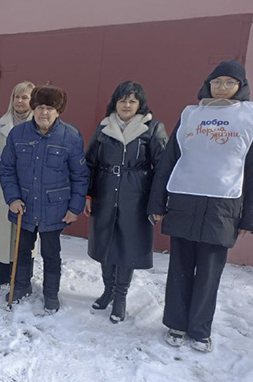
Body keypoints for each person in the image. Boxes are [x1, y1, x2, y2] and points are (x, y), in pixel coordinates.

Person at [148, 60, 253, 352]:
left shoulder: (248, 117)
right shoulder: (191, 115)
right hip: (185, 200)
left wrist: (249, 217)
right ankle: (176, 325)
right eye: (216, 82)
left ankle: (199, 330)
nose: (222, 87)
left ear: (240, 87)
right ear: (207, 84)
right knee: (179, 268)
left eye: (229, 82)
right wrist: (157, 201)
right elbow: (169, 159)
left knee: (208, 273)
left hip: (222, 207)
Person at [0, 85, 89, 313]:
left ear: (58, 111)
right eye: (40, 107)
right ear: (34, 109)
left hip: (54, 209)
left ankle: (51, 293)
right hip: (24, 206)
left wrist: (75, 208)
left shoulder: (70, 136)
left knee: (51, 254)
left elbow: (80, 175)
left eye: (50, 108)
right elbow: (6, 169)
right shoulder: (18, 134)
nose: (44, 113)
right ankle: (21, 286)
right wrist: (13, 198)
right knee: (21, 249)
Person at [84, 81, 167, 323]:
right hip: (105, 192)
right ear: (115, 103)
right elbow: (90, 162)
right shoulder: (104, 128)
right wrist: (87, 194)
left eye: (132, 101)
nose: (127, 105)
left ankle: (120, 296)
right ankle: (108, 289)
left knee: (127, 245)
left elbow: (162, 167)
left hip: (136, 196)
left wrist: (158, 203)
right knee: (104, 241)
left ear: (140, 104)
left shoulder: (152, 128)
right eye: (122, 100)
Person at [0, 81, 35, 290]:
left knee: (24, 233)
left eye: (25, 97)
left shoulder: (38, 124)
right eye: (17, 97)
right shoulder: (2, 124)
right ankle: (1, 274)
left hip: (29, 187)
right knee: (4, 232)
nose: (20, 101)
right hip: (4, 186)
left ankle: (22, 275)